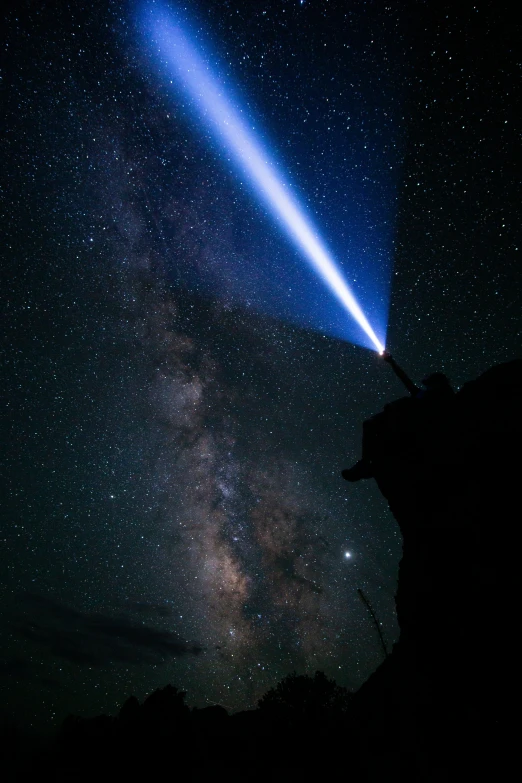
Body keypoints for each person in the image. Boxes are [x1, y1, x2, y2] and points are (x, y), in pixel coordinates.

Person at [341, 353, 454, 482]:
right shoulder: (423, 394)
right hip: (400, 420)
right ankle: (367, 465)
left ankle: (368, 465)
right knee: (370, 427)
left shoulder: (441, 397)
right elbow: (405, 379)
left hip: (408, 424)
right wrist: (392, 363)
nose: (428, 386)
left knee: (375, 431)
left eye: (431, 383)